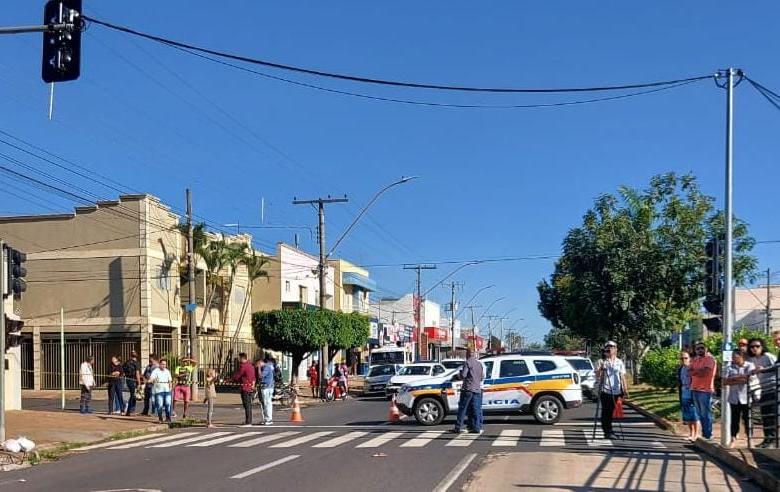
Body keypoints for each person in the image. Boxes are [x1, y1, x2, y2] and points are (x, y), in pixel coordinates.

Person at [748, 337, 777, 448]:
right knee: (764, 415)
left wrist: (764, 369)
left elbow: (777, 367)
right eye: (752, 347)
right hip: (762, 388)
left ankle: (773, 440)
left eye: (757, 346)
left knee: (771, 414)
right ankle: (767, 439)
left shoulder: (768, 356)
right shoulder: (752, 360)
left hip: (772, 387)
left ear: (762, 347)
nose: (754, 349)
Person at [596, 341, 629, 440]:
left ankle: (609, 430)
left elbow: (622, 376)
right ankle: (607, 431)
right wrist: (601, 369)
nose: (610, 349)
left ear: (616, 349)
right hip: (605, 390)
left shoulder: (619, 362)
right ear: (605, 350)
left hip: (617, 390)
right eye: (608, 347)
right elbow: (598, 376)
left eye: (612, 347)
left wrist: (625, 389)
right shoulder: (602, 361)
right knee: (606, 412)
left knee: (612, 412)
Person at [724, 350, 755, 448]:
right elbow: (725, 381)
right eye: (733, 357)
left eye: (736, 357)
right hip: (734, 397)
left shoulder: (749, 365)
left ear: (742, 357)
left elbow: (749, 379)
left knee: (747, 419)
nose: (733, 359)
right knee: (734, 419)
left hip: (746, 397)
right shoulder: (730, 367)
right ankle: (733, 438)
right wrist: (740, 379)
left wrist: (734, 378)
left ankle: (750, 439)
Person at [452, 348, 484, 434]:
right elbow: (482, 377)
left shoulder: (467, 362)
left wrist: (458, 375)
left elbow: (463, 375)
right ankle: (477, 427)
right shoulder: (479, 364)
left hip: (468, 389)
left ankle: (458, 427)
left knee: (463, 408)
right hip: (477, 389)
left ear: (468, 354)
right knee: (476, 409)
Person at [690, 341, 717, 440]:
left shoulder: (710, 359)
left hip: (705, 390)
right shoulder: (695, 359)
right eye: (698, 348)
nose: (700, 350)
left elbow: (705, 372)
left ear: (706, 348)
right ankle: (704, 433)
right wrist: (697, 371)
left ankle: (708, 435)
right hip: (694, 389)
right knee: (700, 414)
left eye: (702, 348)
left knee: (706, 413)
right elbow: (689, 371)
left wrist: (695, 371)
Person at [678, 350, 699, 440]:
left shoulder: (693, 368)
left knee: (694, 414)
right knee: (688, 414)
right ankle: (691, 433)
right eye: (682, 358)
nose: (684, 360)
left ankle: (696, 434)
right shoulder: (680, 369)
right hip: (684, 392)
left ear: (690, 359)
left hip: (693, 392)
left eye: (686, 358)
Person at [231, 353, 256, 426]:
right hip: (250, 387)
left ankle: (248, 421)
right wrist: (253, 385)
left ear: (242, 358)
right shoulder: (251, 365)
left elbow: (238, 375)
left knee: (247, 405)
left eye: (239, 358)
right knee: (249, 405)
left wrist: (231, 379)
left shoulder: (243, 366)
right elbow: (254, 377)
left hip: (245, 387)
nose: (238, 360)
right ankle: (248, 420)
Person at [122, 351, 142, 416]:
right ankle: (129, 411)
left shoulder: (126, 362)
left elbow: (123, 371)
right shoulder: (136, 363)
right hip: (133, 380)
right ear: (137, 356)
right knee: (133, 395)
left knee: (130, 395)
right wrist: (139, 383)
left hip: (127, 380)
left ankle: (129, 410)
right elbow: (137, 373)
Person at [260, 357, 276, 425]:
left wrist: (258, 369)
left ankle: (269, 419)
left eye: (259, 363)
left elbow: (261, 376)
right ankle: (267, 418)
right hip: (269, 387)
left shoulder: (266, 367)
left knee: (267, 403)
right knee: (267, 403)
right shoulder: (270, 367)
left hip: (267, 387)